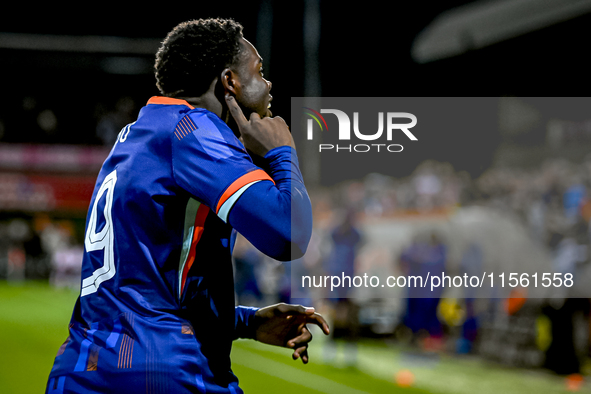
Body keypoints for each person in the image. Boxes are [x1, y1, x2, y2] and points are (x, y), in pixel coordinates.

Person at [46, 18, 329, 394]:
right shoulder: (192, 130)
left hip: (84, 368)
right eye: (259, 72)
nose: (269, 84)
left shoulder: (136, 134)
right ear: (231, 81)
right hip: (164, 370)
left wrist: (244, 323)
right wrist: (282, 153)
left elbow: (142, 285)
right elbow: (289, 234)